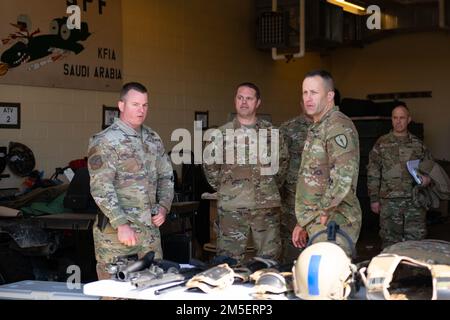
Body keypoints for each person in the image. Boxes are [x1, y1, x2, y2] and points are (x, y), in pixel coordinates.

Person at [87, 82, 174, 280]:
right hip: (117, 235)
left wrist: (163, 206)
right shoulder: (105, 141)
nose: (141, 110)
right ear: (121, 105)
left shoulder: (153, 138)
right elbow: (101, 187)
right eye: (135, 104)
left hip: (149, 234)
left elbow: (166, 176)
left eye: (145, 105)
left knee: (153, 288)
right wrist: (121, 224)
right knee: (116, 291)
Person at [203, 82, 288, 264]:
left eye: (249, 98)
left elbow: (282, 167)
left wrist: (267, 188)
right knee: (228, 262)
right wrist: (229, 189)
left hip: (266, 209)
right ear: (235, 101)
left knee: (269, 260)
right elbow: (210, 169)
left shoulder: (272, 134)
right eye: (240, 97)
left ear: (257, 103)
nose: (244, 102)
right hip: (232, 208)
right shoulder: (220, 134)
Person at [292, 70, 362, 257]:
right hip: (317, 222)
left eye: (314, 92)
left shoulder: (337, 126)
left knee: (328, 281)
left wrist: (321, 214)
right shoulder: (318, 126)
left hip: (333, 223)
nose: (308, 98)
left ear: (330, 96)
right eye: (305, 92)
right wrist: (304, 222)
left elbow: (343, 180)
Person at [367, 103, 432, 249]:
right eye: (395, 118)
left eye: (402, 118)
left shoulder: (418, 145)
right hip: (389, 204)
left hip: (414, 202)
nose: (398, 121)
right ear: (391, 119)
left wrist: (427, 179)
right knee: (390, 244)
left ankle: (416, 272)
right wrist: (374, 199)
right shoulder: (381, 144)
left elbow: (430, 170)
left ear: (409, 119)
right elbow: (373, 172)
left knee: (416, 243)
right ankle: (392, 272)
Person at [279, 110, 312, 264]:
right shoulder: (288, 128)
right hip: (293, 192)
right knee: (292, 236)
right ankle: (290, 271)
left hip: (320, 193)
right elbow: (279, 160)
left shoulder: (328, 126)